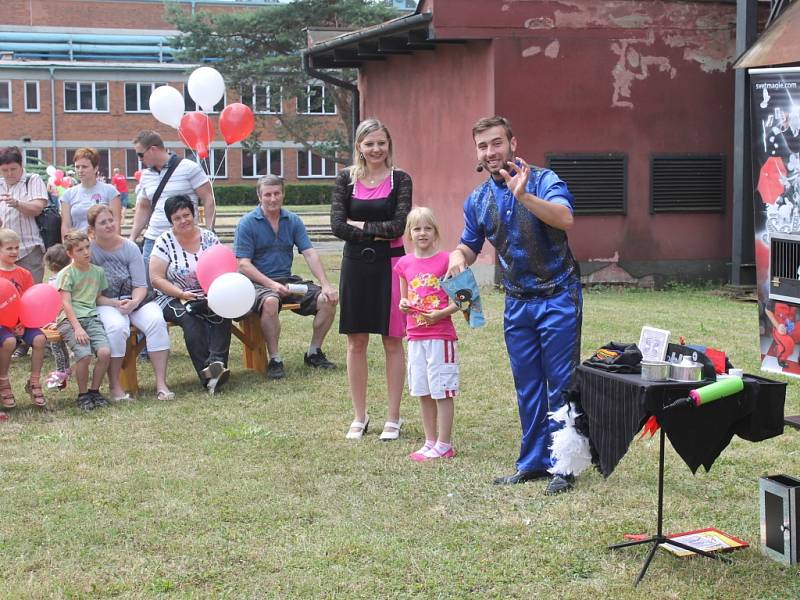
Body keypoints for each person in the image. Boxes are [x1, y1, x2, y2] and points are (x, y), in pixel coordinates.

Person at [448, 116, 582, 495]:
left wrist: (524, 196)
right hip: (517, 302)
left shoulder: (544, 180)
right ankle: (533, 462)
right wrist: (458, 258)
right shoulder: (477, 200)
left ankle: (564, 465)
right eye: (482, 146)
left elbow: (565, 218)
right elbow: (469, 245)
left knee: (560, 384)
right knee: (527, 386)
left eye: (496, 143)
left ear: (513, 143)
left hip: (558, 296)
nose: (490, 152)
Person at [330, 118, 412, 441]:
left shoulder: (401, 180)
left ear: (388, 145)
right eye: (369, 143)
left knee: (393, 340)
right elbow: (337, 225)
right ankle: (359, 416)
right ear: (359, 147)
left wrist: (360, 226)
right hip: (355, 266)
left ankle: (394, 417)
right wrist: (374, 230)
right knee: (356, 342)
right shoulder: (344, 181)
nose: (376, 149)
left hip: (392, 266)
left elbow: (398, 225)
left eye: (381, 142)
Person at [234, 175, 338, 380]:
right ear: (259, 196)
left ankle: (314, 352)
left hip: (288, 281)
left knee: (327, 300)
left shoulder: (293, 220)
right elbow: (243, 264)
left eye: (276, 193)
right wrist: (271, 284)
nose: (272, 199)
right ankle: (275, 359)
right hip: (257, 284)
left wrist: (326, 284)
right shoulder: (247, 223)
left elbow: (309, 253)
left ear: (283, 194)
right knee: (271, 302)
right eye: (267, 194)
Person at [88, 204, 173, 401]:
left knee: (156, 322)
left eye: (111, 220)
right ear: (92, 229)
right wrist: (114, 304)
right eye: (103, 223)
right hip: (104, 303)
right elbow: (92, 293)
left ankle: (161, 384)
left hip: (136, 299)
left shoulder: (130, 247)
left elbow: (141, 285)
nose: (109, 225)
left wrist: (134, 302)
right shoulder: (89, 252)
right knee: (117, 328)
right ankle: (115, 386)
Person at [395, 208, 460, 461]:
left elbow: (465, 300)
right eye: (417, 228)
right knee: (422, 389)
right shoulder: (404, 264)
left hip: (441, 335)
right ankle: (430, 440)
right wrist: (403, 304)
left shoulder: (447, 261)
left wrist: (441, 314)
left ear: (436, 232)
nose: (422, 233)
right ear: (409, 234)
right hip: (415, 336)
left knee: (442, 389)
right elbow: (404, 297)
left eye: (427, 228)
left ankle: (444, 443)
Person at [149, 195, 231, 394]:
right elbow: (156, 278)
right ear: (171, 221)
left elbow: (221, 266)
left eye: (186, 215)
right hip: (171, 296)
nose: (183, 220)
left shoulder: (209, 238)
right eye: (177, 218)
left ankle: (216, 366)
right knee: (189, 320)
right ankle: (208, 376)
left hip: (206, 293)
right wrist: (181, 293)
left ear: (194, 214)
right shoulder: (164, 241)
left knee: (222, 313)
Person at [130, 131, 215, 268]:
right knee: (151, 284)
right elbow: (143, 207)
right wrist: (133, 237)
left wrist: (209, 231)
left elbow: (208, 199)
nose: (139, 159)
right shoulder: (145, 175)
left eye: (140, 154)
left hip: (184, 238)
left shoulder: (189, 168)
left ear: (153, 149)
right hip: (154, 238)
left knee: (186, 283)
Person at [56, 230, 112, 411]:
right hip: (70, 320)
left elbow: (97, 298)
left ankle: (94, 391)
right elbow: (66, 303)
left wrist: (116, 303)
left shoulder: (98, 272)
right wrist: (78, 328)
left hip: (91, 318)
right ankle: (82, 394)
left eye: (87, 247)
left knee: (104, 352)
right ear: (70, 254)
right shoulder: (67, 274)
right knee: (84, 355)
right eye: (79, 250)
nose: (86, 252)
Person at [0, 228, 48, 409]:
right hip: (3, 325)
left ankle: (34, 382)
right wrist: (9, 324)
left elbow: (29, 302)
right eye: (9, 248)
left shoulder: (24, 274)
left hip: (22, 322)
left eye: (16, 248)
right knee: (10, 342)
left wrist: (22, 322)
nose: (14, 252)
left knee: (39, 339)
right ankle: (3, 381)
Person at [0, 146, 47, 283]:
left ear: (21, 166)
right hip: (3, 252)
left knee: (30, 294)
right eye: (4, 170)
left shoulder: (32, 180)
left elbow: (37, 208)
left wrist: (17, 204)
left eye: (13, 169)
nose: (9, 173)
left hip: (29, 251)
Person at [60, 147, 121, 237]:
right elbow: (66, 225)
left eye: (84, 167)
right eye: (77, 167)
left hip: (104, 244)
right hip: (79, 246)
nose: (80, 170)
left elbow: (116, 222)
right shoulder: (68, 195)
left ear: (95, 168)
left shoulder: (110, 191)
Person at [43, 243, 72, 389]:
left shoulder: (55, 281)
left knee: (56, 346)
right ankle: (66, 368)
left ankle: (61, 371)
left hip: (58, 319)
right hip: (61, 317)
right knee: (61, 346)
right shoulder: (65, 277)